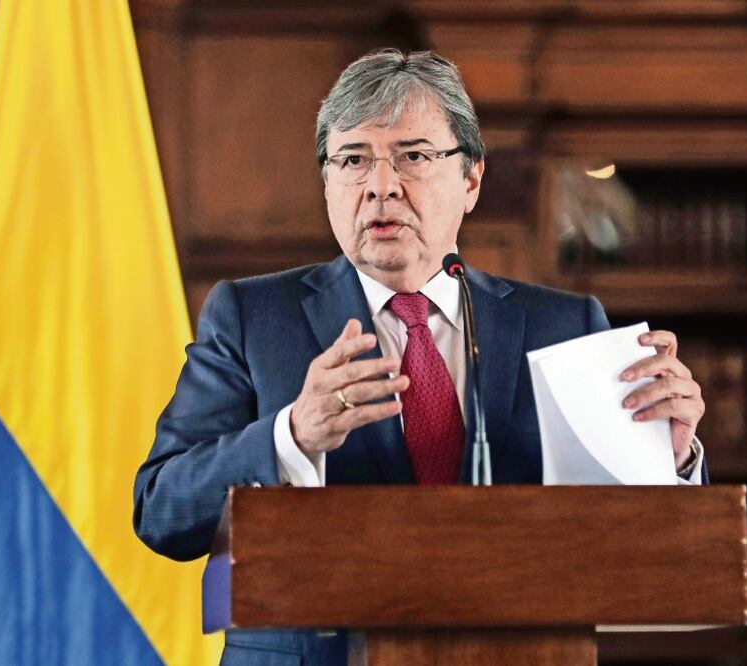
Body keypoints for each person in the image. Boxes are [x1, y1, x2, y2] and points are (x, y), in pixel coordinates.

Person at [133, 50, 706, 665]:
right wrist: (289, 436)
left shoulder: (562, 325)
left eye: (413, 156)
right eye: (353, 159)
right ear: (327, 183)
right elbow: (163, 511)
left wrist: (664, 458)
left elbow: (626, 541)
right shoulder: (252, 318)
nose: (382, 185)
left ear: (471, 180)